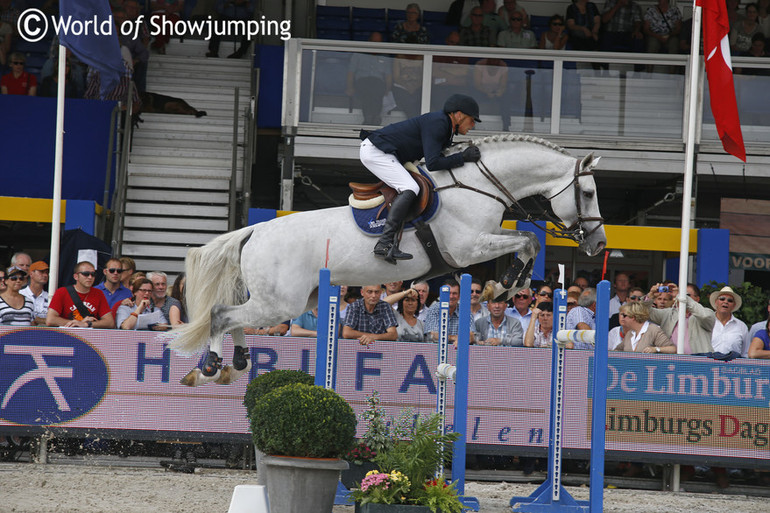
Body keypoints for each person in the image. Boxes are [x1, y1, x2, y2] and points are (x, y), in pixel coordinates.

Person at [359, 93, 481, 263]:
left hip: (386, 153)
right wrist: (463, 158)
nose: (473, 125)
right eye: (472, 120)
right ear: (459, 115)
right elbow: (433, 163)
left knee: (412, 186)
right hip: (377, 152)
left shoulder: (445, 126)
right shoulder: (439, 123)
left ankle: (391, 242)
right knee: (411, 187)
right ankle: (384, 243)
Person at [646, 282, 714, 354]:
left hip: (697, 362)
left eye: (687, 295)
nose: (681, 297)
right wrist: (650, 296)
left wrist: (682, 297)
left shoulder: (705, 313)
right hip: (671, 362)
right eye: (680, 294)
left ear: (697, 299)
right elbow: (644, 313)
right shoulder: (668, 314)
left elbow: (705, 316)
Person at [47, 261, 115, 328]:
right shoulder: (62, 292)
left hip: (89, 336)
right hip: (67, 334)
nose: (90, 277)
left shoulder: (98, 293)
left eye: (93, 274)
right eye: (86, 274)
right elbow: (50, 320)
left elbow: (110, 322)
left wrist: (87, 324)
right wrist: (79, 323)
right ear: (76, 276)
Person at [346, 32, 391, 126]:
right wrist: (350, 87)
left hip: (378, 83)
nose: (376, 44)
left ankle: (369, 118)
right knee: (368, 89)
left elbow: (388, 76)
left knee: (376, 89)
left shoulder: (385, 57)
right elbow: (351, 72)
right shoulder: (358, 55)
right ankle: (373, 117)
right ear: (369, 41)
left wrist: (388, 89)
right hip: (362, 81)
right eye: (374, 41)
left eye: (379, 42)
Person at [424, 279, 475, 345]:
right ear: (441, 295)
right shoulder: (434, 309)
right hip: (434, 351)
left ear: (459, 296)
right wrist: (454, 338)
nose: (451, 296)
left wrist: (461, 340)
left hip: (457, 351)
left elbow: (471, 336)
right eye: (448, 293)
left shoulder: (465, 311)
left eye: (454, 293)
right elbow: (433, 335)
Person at [709, 286, 748, 355]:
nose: (725, 302)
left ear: (734, 305)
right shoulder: (707, 322)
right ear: (716, 302)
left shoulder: (742, 326)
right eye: (722, 299)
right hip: (709, 364)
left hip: (733, 365)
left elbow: (745, 352)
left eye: (730, 300)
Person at [20, 261, 50, 325]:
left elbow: (54, 319)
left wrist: (37, 320)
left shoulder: (50, 296)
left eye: (47, 273)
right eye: (41, 272)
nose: (45, 275)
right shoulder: (20, 294)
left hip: (46, 333)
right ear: (31, 274)